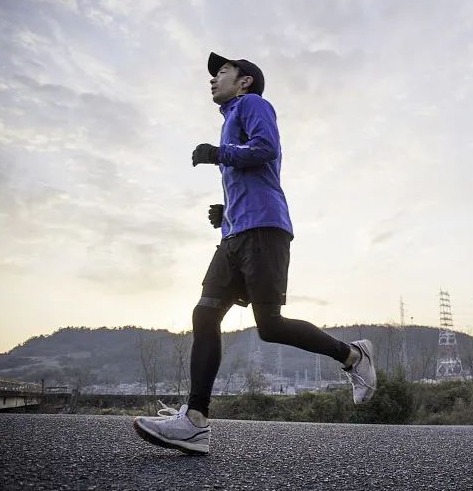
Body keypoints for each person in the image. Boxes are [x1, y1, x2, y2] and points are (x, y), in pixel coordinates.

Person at [133, 52, 377, 455]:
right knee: (205, 313)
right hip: (235, 234)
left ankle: (353, 355)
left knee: (270, 325)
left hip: (265, 230)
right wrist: (224, 209)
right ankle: (195, 421)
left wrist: (218, 153)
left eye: (222, 71)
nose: (213, 78)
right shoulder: (231, 118)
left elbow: (266, 149)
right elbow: (250, 176)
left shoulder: (253, 105)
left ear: (244, 81)